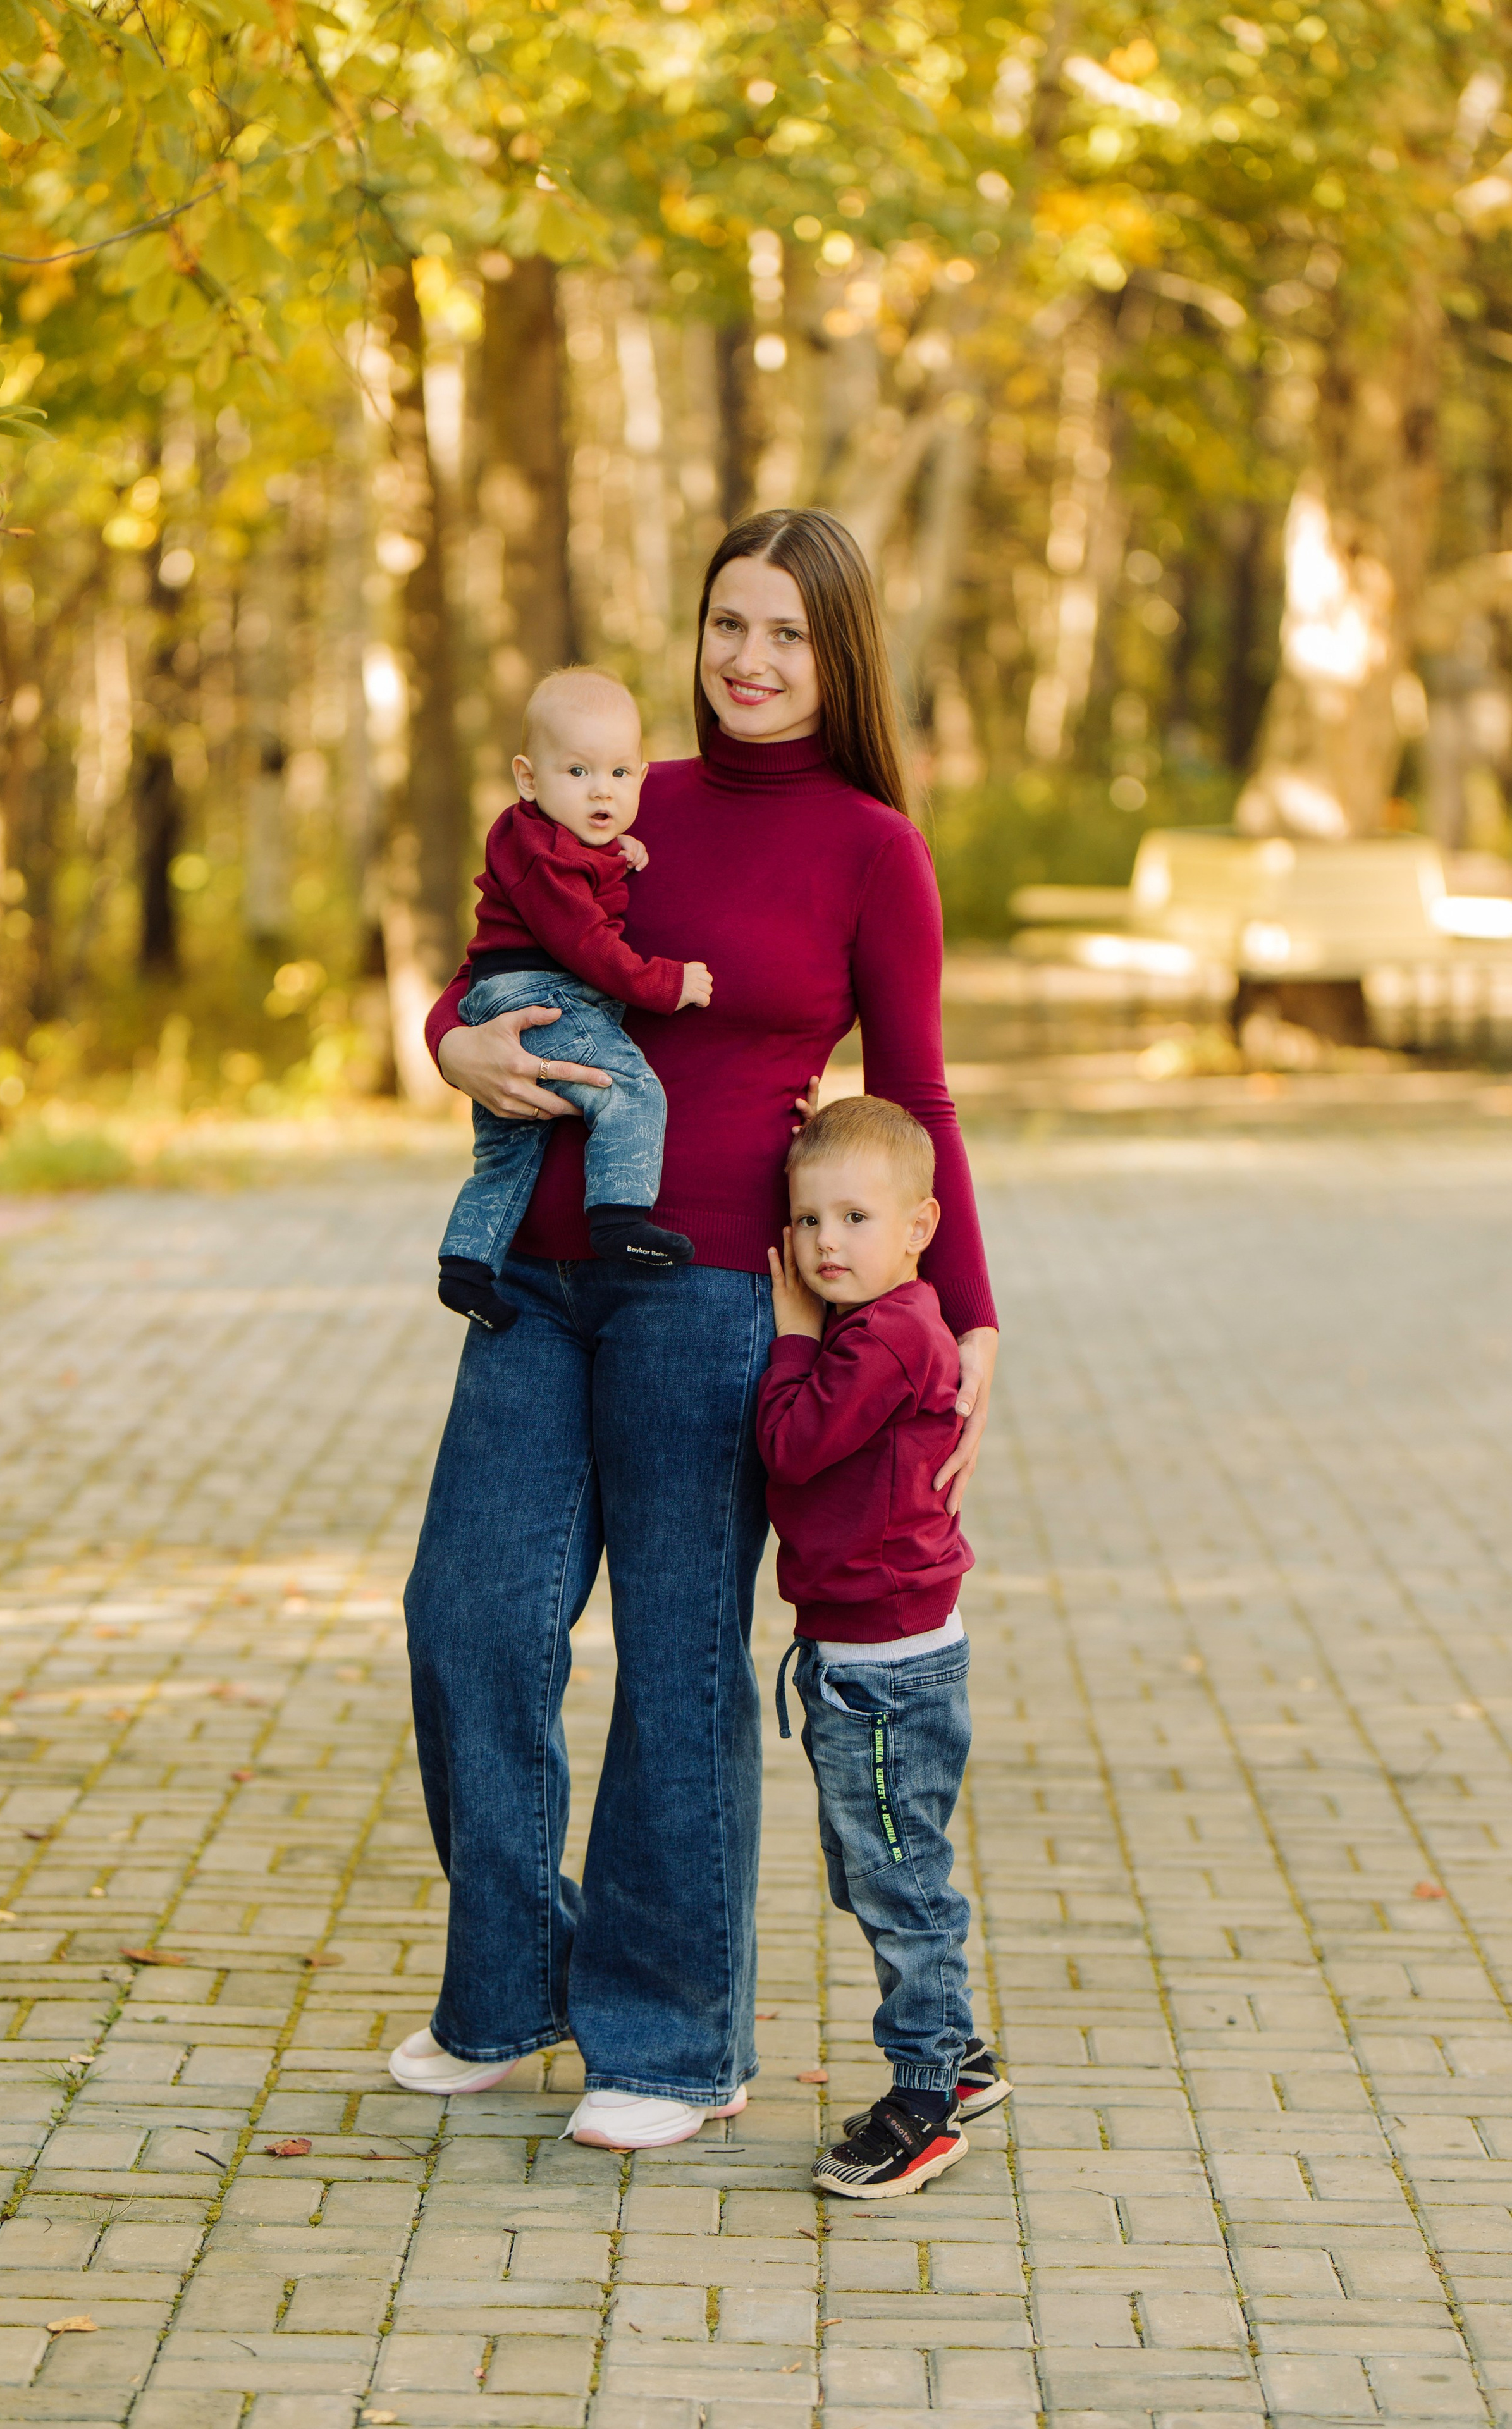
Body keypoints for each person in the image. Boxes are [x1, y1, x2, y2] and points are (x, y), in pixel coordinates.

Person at [396, 506, 999, 2154]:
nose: (748, 659)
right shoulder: (609, 792)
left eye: (788, 634)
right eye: (730, 623)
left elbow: (921, 1095)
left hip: (720, 1282)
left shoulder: (874, 847)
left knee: (675, 1671)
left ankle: (674, 2043)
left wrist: (968, 1312)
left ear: (838, 654)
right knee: (468, 1621)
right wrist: (453, 1048)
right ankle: (514, 1989)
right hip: (534, 1272)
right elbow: (486, 966)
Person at [759, 1094, 1009, 2198]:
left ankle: (925, 2098)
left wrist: (790, 1341)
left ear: (920, 1227)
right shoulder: (890, 1325)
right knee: (888, 1871)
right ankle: (953, 2049)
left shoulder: (889, 1337)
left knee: (900, 1881)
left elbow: (795, 1443)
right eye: (809, 1220)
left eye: (857, 1218)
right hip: (874, 1654)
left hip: (885, 1668)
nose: (825, 1245)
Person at [438, 667, 713, 1332]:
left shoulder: (549, 839)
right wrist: (669, 984)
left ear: (642, 776)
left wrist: (616, 853)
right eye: (579, 772)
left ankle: (466, 1268)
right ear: (529, 779)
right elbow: (587, 943)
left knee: (510, 1149)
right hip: (543, 994)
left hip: (502, 993)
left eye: (620, 775)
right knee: (630, 1089)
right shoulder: (541, 858)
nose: (602, 791)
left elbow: (583, 860)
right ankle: (621, 1216)